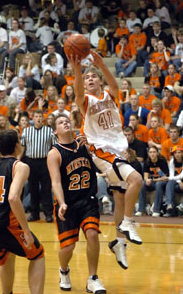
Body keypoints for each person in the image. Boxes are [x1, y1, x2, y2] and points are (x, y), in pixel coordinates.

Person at [70, 50, 143, 271]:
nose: (89, 80)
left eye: (93, 77)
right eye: (87, 78)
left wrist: (100, 64)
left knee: (120, 198)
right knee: (137, 180)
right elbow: (78, 93)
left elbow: (114, 84)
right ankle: (129, 222)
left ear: (100, 81)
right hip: (102, 151)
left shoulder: (110, 96)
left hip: (119, 149)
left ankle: (119, 242)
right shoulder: (86, 101)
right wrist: (77, 69)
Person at [0, 129, 45, 294]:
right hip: (3, 223)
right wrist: (27, 231)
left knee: (8, 253)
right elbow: (13, 197)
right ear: (17, 146)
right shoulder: (20, 166)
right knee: (37, 255)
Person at [47, 114, 106, 293]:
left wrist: (92, 146)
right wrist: (62, 202)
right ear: (55, 131)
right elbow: (56, 182)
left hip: (88, 199)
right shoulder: (54, 153)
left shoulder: (84, 145)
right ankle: (64, 271)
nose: (65, 122)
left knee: (93, 234)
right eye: (60, 122)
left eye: (67, 120)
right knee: (68, 247)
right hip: (68, 204)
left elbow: (101, 158)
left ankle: (93, 278)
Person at [20, 109, 56, 222]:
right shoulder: (26, 131)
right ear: (33, 118)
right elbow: (22, 148)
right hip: (31, 162)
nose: (39, 118)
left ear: (43, 118)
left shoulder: (49, 131)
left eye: (40, 116)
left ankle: (48, 214)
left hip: (45, 161)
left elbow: (54, 147)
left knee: (46, 188)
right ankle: (34, 214)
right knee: (33, 188)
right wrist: (18, 159)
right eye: (36, 116)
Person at [135, 145, 169, 217]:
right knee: (143, 184)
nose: (152, 154)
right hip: (152, 183)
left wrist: (153, 179)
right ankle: (141, 209)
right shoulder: (147, 162)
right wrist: (147, 180)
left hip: (162, 183)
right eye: (150, 152)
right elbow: (145, 177)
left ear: (157, 153)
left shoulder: (162, 161)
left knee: (158, 184)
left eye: (154, 152)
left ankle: (156, 210)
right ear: (148, 154)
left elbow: (165, 178)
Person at [163, 146, 183, 217]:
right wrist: (179, 181)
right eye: (175, 153)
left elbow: (182, 175)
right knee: (170, 182)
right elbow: (171, 176)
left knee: (170, 182)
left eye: (179, 152)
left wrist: (179, 180)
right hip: (178, 183)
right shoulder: (172, 162)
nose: (177, 154)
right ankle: (169, 205)